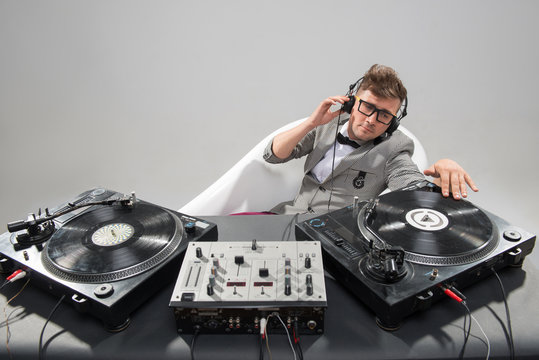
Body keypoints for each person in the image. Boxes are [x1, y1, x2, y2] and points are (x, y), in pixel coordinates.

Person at [263, 64, 478, 215]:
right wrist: (310, 123)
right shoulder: (328, 124)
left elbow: (414, 189)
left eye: (384, 115)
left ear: (393, 122)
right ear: (351, 103)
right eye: (367, 107)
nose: (371, 121)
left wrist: (442, 170)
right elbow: (273, 156)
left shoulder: (395, 147)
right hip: (287, 216)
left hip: (333, 238)